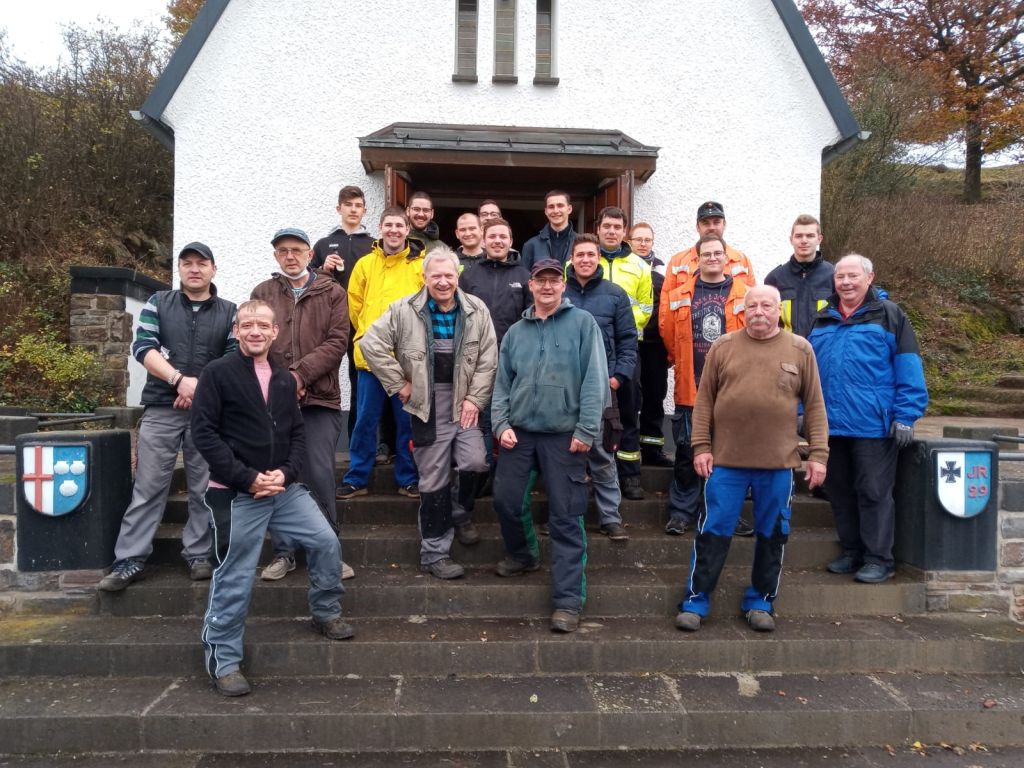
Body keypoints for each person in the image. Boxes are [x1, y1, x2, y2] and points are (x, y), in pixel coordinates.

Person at [191, 300, 352, 697]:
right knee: (236, 574)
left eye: (263, 325)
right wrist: (247, 478)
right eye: (247, 325)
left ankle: (325, 611)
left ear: (275, 331)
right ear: (236, 330)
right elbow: (204, 435)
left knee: (326, 542)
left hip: (283, 490)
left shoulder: (283, 379)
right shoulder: (217, 374)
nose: (256, 331)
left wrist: (286, 473)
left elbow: (298, 435)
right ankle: (224, 660)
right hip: (236, 493)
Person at [675, 285, 829, 633]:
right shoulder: (723, 346)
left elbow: (816, 406)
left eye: (767, 305)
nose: (759, 311)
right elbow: (703, 403)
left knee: (773, 533)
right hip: (726, 462)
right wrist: (701, 447)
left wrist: (818, 454)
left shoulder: (800, 349)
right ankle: (696, 599)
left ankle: (761, 600)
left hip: (778, 465)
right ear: (743, 311)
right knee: (713, 531)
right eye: (753, 305)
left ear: (778, 311)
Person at [98, 243, 236, 592]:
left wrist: (200, 391)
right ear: (179, 269)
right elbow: (143, 348)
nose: (194, 269)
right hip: (161, 408)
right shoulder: (158, 303)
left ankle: (199, 554)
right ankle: (129, 559)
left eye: (201, 263)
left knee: (204, 487)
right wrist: (179, 381)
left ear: (213, 270)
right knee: (148, 486)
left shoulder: (230, 311)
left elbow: (234, 359)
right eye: (186, 263)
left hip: (209, 413)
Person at [360, 246, 498, 578]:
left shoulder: (477, 309)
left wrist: (474, 400)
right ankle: (434, 553)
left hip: (464, 400)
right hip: (426, 404)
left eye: (449, 275)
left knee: (477, 462)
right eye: (435, 275)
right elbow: (369, 343)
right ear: (424, 277)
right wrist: (398, 383)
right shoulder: (403, 309)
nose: (442, 281)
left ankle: (459, 509)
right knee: (433, 478)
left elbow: (488, 359)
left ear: (457, 276)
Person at [491, 258, 608, 634]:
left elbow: (595, 380)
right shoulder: (516, 333)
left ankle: (568, 601)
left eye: (553, 280)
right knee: (506, 500)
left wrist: (586, 430)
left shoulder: (582, 324)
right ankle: (524, 555)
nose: (547, 286)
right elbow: (502, 384)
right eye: (540, 280)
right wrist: (500, 423)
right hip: (520, 433)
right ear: (530, 285)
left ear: (563, 285)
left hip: (565, 435)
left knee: (566, 516)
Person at [809, 254, 928, 584]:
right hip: (831, 425)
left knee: (874, 491)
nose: (845, 282)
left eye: (853, 276)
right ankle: (852, 551)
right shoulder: (823, 319)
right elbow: (807, 373)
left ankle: (879, 558)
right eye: (840, 277)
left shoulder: (890, 316)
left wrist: (906, 416)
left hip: (873, 424)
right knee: (839, 490)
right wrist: (803, 414)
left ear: (870, 277)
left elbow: (908, 367)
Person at [250, 228, 351, 582]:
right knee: (279, 474)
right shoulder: (263, 293)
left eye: (296, 250)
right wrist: (280, 383)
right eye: (282, 251)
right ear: (276, 256)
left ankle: (330, 552)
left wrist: (299, 376)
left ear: (311, 254)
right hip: (273, 403)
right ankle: (284, 552)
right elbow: (254, 338)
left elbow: (338, 341)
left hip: (320, 400)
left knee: (320, 475)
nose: (289, 256)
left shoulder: (333, 292)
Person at [659, 234, 752, 537]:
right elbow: (668, 332)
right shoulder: (680, 293)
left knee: (728, 453)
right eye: (706, 254)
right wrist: (682, 362)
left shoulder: (746, 294)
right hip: (691, 386)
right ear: (697, 259)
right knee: (687, 451)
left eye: (717, 253)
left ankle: (724, 512)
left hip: (733, 390)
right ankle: (681, 512)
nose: (712, 258)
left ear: (727, 258)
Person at [337, 207, 425, 499]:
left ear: (407, 229)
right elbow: (355, 307)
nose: (394, 231)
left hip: (407, 361)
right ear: (380, 227)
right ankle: (356, 478)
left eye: (399, 225)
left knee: (407, 424)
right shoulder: (364, 264)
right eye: (389, 225)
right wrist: (368, 335)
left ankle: (408, 478)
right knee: (365, 421)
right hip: (371, 360)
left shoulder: (419, 265)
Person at [564, 234, 638, 541]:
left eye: (590, 255)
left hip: (602, 386)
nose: (585, 260)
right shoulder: (558, 290)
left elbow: (628, 341)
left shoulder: (616, 294)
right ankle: (567, 514)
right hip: (564, 388)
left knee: (603, 452)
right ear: (572, 258)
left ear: (598, 258)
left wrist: (617, 377)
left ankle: (610, 517)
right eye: (579, 254)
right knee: (566, 454)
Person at [594, 206, 653, 500]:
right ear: (599, 229)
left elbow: (646, 308)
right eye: (607, 226)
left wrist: (620, 327)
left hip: (628, 348)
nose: (612, 231)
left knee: (628, 411)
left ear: (624, 231)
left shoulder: (640, 266)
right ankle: (590, 472)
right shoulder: (583, 261)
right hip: (591, 350)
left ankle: (629, 476)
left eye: (617, 227)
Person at [310, 185, 375, 448]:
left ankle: (356, 443)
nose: (353, 210)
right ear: (339, 209)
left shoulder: (373, 245)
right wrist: (323, 270)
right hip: (329, 321)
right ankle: (321, 440)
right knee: (323, 375)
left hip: (362, 322)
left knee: (361, 381)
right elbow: (309, 283)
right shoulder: (323, 244)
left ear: (364, 210)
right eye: (348, 205)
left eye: (358, 205)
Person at [630, 221, 672, 467]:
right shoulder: (625, 266)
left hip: (656, 342)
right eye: (639, 240)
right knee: (630, 394)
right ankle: (627, 444)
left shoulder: (664, 271)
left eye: (647, 240)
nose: (643, 244)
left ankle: (653, 448)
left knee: (655, 394)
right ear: (630, 242)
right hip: (632, 341)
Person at [765, 214, 833, 338]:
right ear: (791, 239)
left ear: (819, 239)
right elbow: (768, 320)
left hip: (822, 350)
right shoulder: (775, 278)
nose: (804, 240)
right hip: (787, 351)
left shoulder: (834, 276)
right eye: (799, 236)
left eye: (810, 236)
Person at [664, 201, 756, 291]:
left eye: (716, 222)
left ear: (724, 225)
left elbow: (754, 299)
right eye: (705, 223)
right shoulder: (677, 262)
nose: (711, 227)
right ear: (697, 227)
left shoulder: (742, 260)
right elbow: (666, 302)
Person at [521, 190, 576, 269]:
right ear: (546, 211)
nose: (556, 211)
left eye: (560, 205)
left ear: (569, 209)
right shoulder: (530, 245)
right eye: (551, 207)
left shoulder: (580, 243)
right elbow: (525, 278)